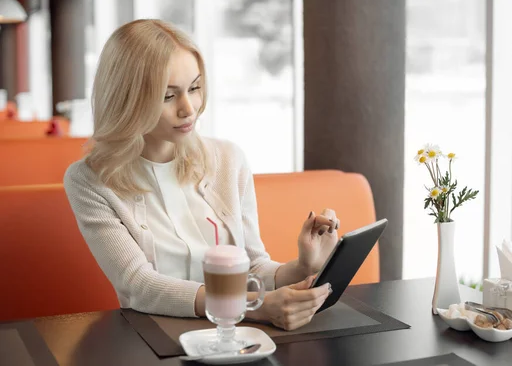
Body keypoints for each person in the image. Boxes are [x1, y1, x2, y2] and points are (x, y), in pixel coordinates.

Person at [63, 19, 340, 331]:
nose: (188, 108)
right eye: (168, 96)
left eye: (194, 88)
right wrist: (252, 306)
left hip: (235, 333)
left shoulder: (228, 159)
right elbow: (138, 285)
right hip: (153, 338)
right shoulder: (89, 181)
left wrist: (303, 266)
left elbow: (254, 267)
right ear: (127, 99)